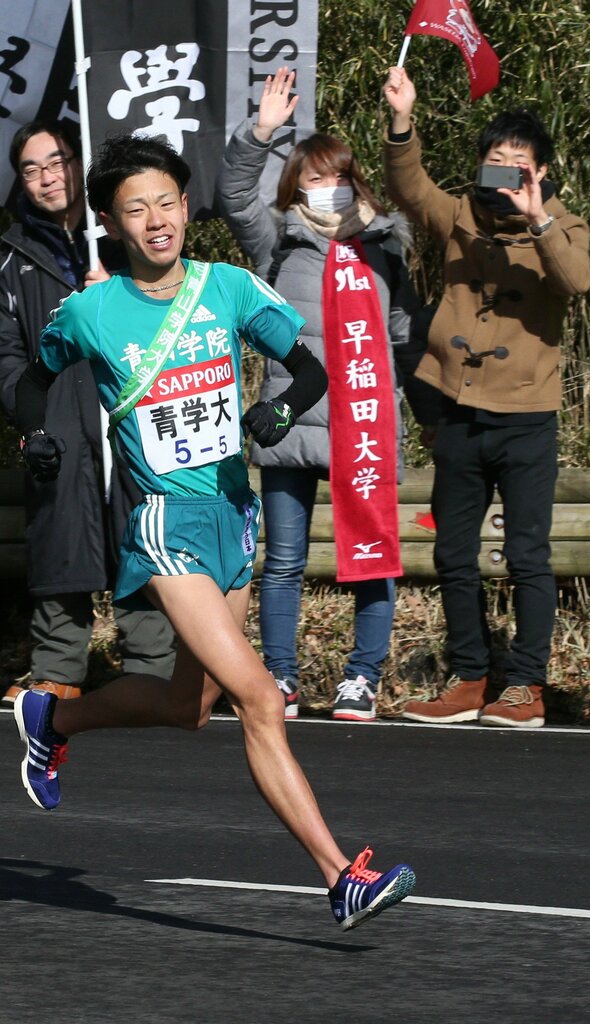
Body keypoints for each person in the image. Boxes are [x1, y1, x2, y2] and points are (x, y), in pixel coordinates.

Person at [10, 133, 415, 930]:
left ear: (187, 207)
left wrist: (279, 409)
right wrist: (37, 435)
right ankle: (341, 876)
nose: (157, 220)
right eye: (137, 209)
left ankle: (51, 719)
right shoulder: (91, 311)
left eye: (167, 202)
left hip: (234, 517)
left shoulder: (226, 288)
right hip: (163, 525)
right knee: (260, 696)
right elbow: (32, 377)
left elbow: (311, 371)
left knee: (186, 707)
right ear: (110, 222)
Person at [382, 67, 590, 728]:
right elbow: (409, 186)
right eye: (495, 163)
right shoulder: (460, 214)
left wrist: (538, 218)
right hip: (459, 410)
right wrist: (401, 119)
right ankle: (469, 676)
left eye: (518, 166)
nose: (503, 174)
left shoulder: (565, 224)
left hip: (528, 417)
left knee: (528, 553)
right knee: (452, 552)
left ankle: (525, 685)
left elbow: (576, 280)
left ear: (542, 172)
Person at [216, 66, 415, 722]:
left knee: (372, 550)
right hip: (293, 419)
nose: (326, 190)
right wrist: (261, 130)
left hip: (363, 423)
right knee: (285, 560)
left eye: (336, 177)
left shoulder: (383, 245)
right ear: (295, 185)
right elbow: (234, 192)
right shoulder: (280, 239)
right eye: (312, 177)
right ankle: (280, 675)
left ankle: (362, 676)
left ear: (353, 181)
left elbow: (401, 335)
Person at [0, 119, 175, 706]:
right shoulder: (9, 258)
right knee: (61, 539)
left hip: (135, 410)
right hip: (59, 417)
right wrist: (33, 415)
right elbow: (1, 351)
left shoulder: (127, 237)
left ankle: (152, 666)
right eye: (31, 168)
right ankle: (59, 666)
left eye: (58, 161)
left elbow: (179, 309)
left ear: (79, 164)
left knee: (144, 538)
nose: (47, 177)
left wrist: (117, 289)